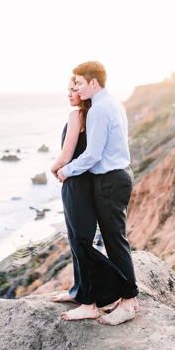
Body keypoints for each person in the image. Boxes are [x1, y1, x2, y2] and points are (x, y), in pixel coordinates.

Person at [55, 61, 139, 326]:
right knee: (114, 238)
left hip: (110, 180)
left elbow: (93, 154)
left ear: (93, 83)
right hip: (115, 177)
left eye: (79, 83)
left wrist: (66, 170)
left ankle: (127, 302)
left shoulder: (100, 109)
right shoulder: (111, 103)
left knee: (114, 240)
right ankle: (123, 298)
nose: (76, 88)